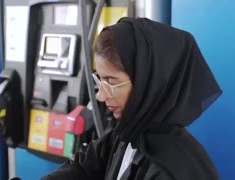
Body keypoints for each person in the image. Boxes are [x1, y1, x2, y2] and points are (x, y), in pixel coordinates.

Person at [42, 17, 222, 180]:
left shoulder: (171, 171)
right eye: (100, 80)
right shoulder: (129, 133)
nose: (101, 95)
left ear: (148, 83)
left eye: (111, 82)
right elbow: (81, 168)